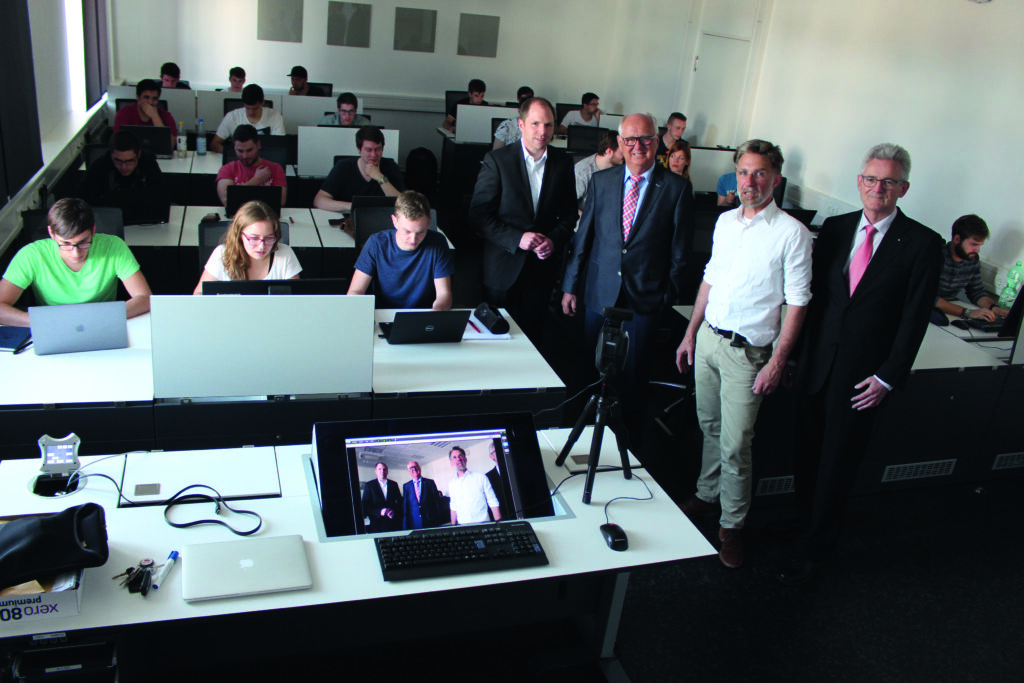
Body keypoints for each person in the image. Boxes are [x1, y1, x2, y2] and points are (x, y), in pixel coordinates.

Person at [779, 143, 943, 586]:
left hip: (863, 376)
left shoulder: (923, 243)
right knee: (807, 453)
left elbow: (914, 319)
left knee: (838, 462)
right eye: (871, 179)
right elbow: (813, 300)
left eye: (889, 181)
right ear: (859, 182)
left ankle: (817, 547)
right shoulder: (835, 228)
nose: (878, 188)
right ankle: (804, 523)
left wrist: (889, 376)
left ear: (903, 188)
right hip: (816, 364)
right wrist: (794, 356)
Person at [674, 139, 813, 569]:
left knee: (736, 445)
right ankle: (707, 494)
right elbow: (710, 278)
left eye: (759, 173)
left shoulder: (792, 233)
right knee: (710, 426)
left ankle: (732, 525)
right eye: (743, 172)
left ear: (776, 178)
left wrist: (777, 361)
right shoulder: (725, 222)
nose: (749, 181)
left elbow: (797, 303)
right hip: (710, 340)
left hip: (747, 353)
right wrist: (690, 333)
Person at [561, 113, 693, 441]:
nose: (638, 146)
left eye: (646, 138)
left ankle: (629, 445)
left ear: (657, 142)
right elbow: (584, 239)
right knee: (591, 370)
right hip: (600, 291)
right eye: (630, 139)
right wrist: (570, 285)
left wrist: (667, 297)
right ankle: (585, 438)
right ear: (620, 142)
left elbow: (680, 253)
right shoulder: (602, 181)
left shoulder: (676, 188)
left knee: (635, 377)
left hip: (646, 298)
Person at [469, 97, 577, 342]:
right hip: (502, 266)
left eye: (548, 125)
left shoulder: (562, 162)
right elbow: (478, 215)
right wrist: (517, 238)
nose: (542, 131)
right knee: (494, 339)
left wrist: (553, 240)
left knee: (533, 338)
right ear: (521, 124)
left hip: (541, 268)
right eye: (535, 124)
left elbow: (570, 213)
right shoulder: (498, 160)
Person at [0, 198, 151, 326]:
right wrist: (40, 322)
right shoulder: (31, 255)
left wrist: (105, 317)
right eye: (65, 243)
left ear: (93, 230)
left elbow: (144, 298)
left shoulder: (113, 246)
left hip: (102, 323)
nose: (75, 252)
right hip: (54, 327)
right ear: (52, 233)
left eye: (83, 242)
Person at [347, 191, 453, 309]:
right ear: (395, 221)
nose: (413, 239)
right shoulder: (376, 243)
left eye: (420, 232)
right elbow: (355, 291)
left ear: (428, 223)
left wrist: (438, 310)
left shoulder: (438, 243)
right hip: (383, 313)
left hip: (422, 314)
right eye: (407, 231)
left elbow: (444, 294)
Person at [193, 200, 301, 294]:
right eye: (254, 238)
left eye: (269, 238)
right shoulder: (222, 254)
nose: (261, 246)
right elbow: (199, 294)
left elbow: (297, 299)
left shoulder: (285, 254)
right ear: (239, 235)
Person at [931, 214, 1008, 325]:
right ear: (957, 239)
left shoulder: (972, 259)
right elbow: (927, 296)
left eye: (980, 245)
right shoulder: (935, 256)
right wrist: (967, 312)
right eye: (974, 244)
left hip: (948, 312)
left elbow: (976, 291)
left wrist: (993, 307)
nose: (977, 250)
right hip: (925, 311)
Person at [314, 126, 405, 213]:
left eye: (378, 149)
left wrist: (380, 178)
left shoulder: (391, 166)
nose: (373, 155)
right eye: (368, 150)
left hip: (381, 218)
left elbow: (402, 205)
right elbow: (319, 201)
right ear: (359, 149)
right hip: (349, 218)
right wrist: (351, 206)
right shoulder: (343, 167)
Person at [76, 130, 167, 210]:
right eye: (118, 161)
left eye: (130, 161)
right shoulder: (99, 166)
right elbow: (82, 201)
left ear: (139, 154)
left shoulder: (148, 163)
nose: (124, 167)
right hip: (108, 218)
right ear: (111, 155)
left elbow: (161, 197)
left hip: (142, 217)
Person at [215, 124, 287, 207]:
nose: (245, 156)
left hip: (265, 213)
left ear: (258, 145)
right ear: (234, 148)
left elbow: (280, 201)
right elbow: (227, 200)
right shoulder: (227, 169)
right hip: (238, 214)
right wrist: (256, 180)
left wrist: (240, 195)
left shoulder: (275, 168)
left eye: (249, 150)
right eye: (240, 151)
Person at [211, 84, 285, 154]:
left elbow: (281, 146)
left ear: (262, 102)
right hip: (239, 160)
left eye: (255, 108)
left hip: (265, 159)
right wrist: (236, 154)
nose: (251, 112)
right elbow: (215, 144)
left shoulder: (275, 116)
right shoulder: (232, 116)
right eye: (248, 108)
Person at [447, 446, 501, 525]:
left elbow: (493, 501)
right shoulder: (451, 484)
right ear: (451, 463)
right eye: (454, 457)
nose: (458, 459)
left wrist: (499, 525)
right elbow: (453, 506)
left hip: (484, 525)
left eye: (460, 456)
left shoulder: (481, 477)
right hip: (463, 527)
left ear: (465, 459)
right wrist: (453, 526)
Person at [112, 79, 177, 140]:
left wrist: (155, 117)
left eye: (154, 99)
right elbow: (118, 142)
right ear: (138, 97)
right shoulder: (124, 113)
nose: (150, 102)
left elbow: (170, 144)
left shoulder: (166, 116)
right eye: (146, 97)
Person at [574, 130, 623, 209]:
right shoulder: (582, 172)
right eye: (622, 151)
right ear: (609, 151)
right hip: (587, 215)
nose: (626, 154)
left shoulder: (621, 168)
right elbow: (567, 205)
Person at [361, 462, 403, 532]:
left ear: (387, 471)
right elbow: (365, 507)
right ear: (375, 471)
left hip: (393, 523)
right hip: (377, 525)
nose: (382, 471)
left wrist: (394, 511)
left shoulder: (394, 484)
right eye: (379, 469)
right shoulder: (369, 485)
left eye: (384, 469)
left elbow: (400, 502)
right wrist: (379, 512)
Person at [402, 461, 443, 529]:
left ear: (419, 468)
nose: (414, 469)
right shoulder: (406, 486)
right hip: (415, 523)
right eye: (411, 468)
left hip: (431, 521)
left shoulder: (430, 482)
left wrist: (438, 519)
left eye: (416, 466)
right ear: (409, 471)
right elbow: (406, 507)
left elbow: (437, 502)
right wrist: (405, 525)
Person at [485, 442, 509, 521]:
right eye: (496, 451)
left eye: (501, 450)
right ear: (491, 456)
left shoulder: (514, 471)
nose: (500, 453)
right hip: (502, 520)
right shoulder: (487, 478)